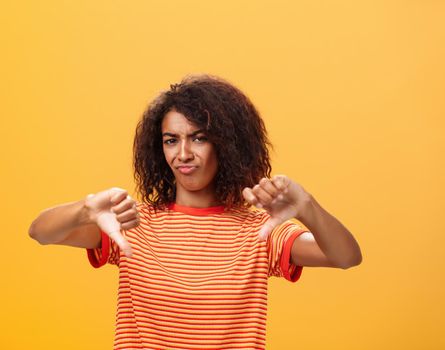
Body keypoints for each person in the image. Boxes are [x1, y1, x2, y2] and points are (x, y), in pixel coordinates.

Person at [28, 74, 362, 349]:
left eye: (199, 138)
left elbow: (346, 256)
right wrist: (85, 209)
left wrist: (306, 206)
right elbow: (41, 232)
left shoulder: (260, 231)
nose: (183, 154)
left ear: (227, 145)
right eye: (171, 140)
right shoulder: (130, 223)